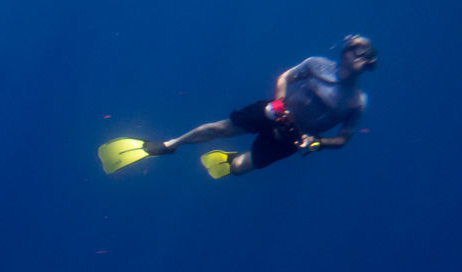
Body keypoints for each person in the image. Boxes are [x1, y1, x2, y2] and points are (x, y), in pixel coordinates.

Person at [98, 35, 377, 179]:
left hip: (297, 138)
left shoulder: (357, 102)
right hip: (274, 112)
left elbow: (343, 139)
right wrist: (279, 103)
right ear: (346, 53)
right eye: (358, 53)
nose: (361, 60)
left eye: (366, 58)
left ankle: (231, 161)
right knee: (221, 128)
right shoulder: (317, 64)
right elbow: (286, 77)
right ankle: (168, 144)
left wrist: (316, 144)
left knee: (243, 168)